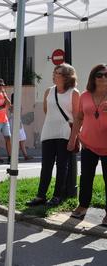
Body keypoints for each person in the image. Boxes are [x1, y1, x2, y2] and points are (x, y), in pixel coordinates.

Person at [27, 63, 80, 207]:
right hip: (49, 130)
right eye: (54, 72)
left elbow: (77, 117)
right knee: (46, 166)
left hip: (65, 132)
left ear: (67, 76)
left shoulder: (74, 93)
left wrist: (73, 138)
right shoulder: (49, 91)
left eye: (58, 72)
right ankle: (40, 196)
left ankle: (57, 196)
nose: (54, 74)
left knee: (62, 165)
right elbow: (46, 110)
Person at [69, 64, 107, 224]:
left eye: (106, 75)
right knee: (86, 177)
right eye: (100, 75)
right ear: (93, 77)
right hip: (88, 143)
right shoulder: (85, 96)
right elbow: (78, 118)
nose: (104, 77)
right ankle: (83, 206)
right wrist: (73, 139)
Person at [9, 93, 33, 161]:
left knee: (22, 139)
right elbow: (14, 113)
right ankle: (15, 157)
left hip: (18, 122)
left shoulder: (17, 104)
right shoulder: (12, 105)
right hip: (15, 123)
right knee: (17, 140)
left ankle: (25, 155)